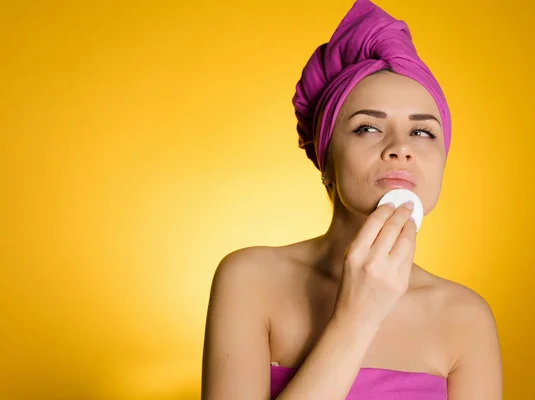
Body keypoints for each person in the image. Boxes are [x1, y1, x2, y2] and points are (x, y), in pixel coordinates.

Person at [201, 0, 503, 399]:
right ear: (325, 156)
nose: (401, 148)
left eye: (423, 133)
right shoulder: (249, 278)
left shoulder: (467, 318)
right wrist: (358, 316)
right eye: (367, 128)